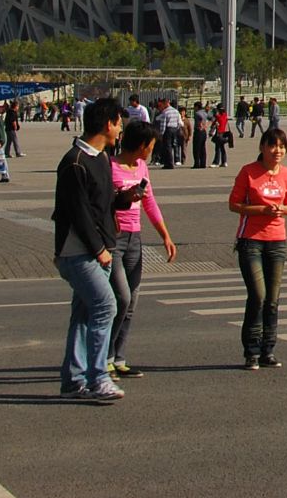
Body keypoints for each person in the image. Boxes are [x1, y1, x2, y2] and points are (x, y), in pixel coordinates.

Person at [53, 96, 126, 402]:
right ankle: (99, 378)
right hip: (78, 252)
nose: (121, 130)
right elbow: (79, 213)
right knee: (106, 306)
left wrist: (125, 199)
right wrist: (99, 250)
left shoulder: (101, 158)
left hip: (100, 249)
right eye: (119, 123)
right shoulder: (75, 162)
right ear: (108, 124)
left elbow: (101, 204)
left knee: (84, 316)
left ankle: (73, 381)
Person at [108, 120, 177, 379]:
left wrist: (165, 236)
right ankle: (104, 357)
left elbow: (150, 203)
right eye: (150, 145)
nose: (152, 150)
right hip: (114, 239)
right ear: (141, 145)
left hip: (134, 239)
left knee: (131, 302)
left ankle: (119, 358)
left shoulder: (141, 167)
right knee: (121, 298)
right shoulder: (109, 166)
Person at [228, 128, 287, 371]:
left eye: (282, 146)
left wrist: (281, 210)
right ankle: (251, 351)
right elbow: (234, 204)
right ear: (262, 147)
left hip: (277, 240)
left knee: (273, 299)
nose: (278, 151)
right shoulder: (248, 172)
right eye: (273, 146)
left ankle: (268, 350)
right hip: (251, 240)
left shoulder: (286, 174)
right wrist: (261, 210)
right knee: (258, 295)